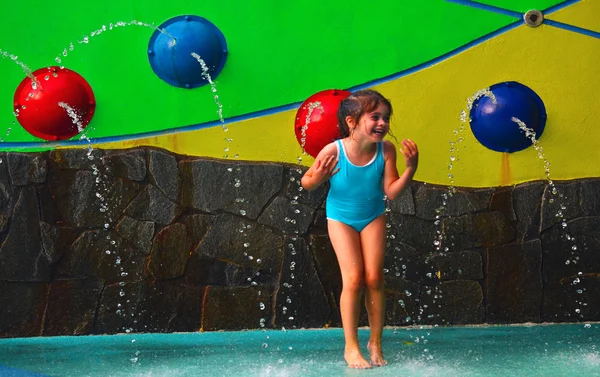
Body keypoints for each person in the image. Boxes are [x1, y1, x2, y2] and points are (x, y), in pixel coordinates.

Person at [301, 89, 418, 369]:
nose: (382, 123)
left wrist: (410, 169)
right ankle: (351, 346)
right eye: (375, 117)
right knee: (353, 279)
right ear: (352, 121)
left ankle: (375, 342)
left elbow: (391, 192)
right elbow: (307, 182)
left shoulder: (385, 150)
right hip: (340, 219)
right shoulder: (334, 150)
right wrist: (318, 177)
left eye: (386, 118)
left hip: (373, 215)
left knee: (375, 277)